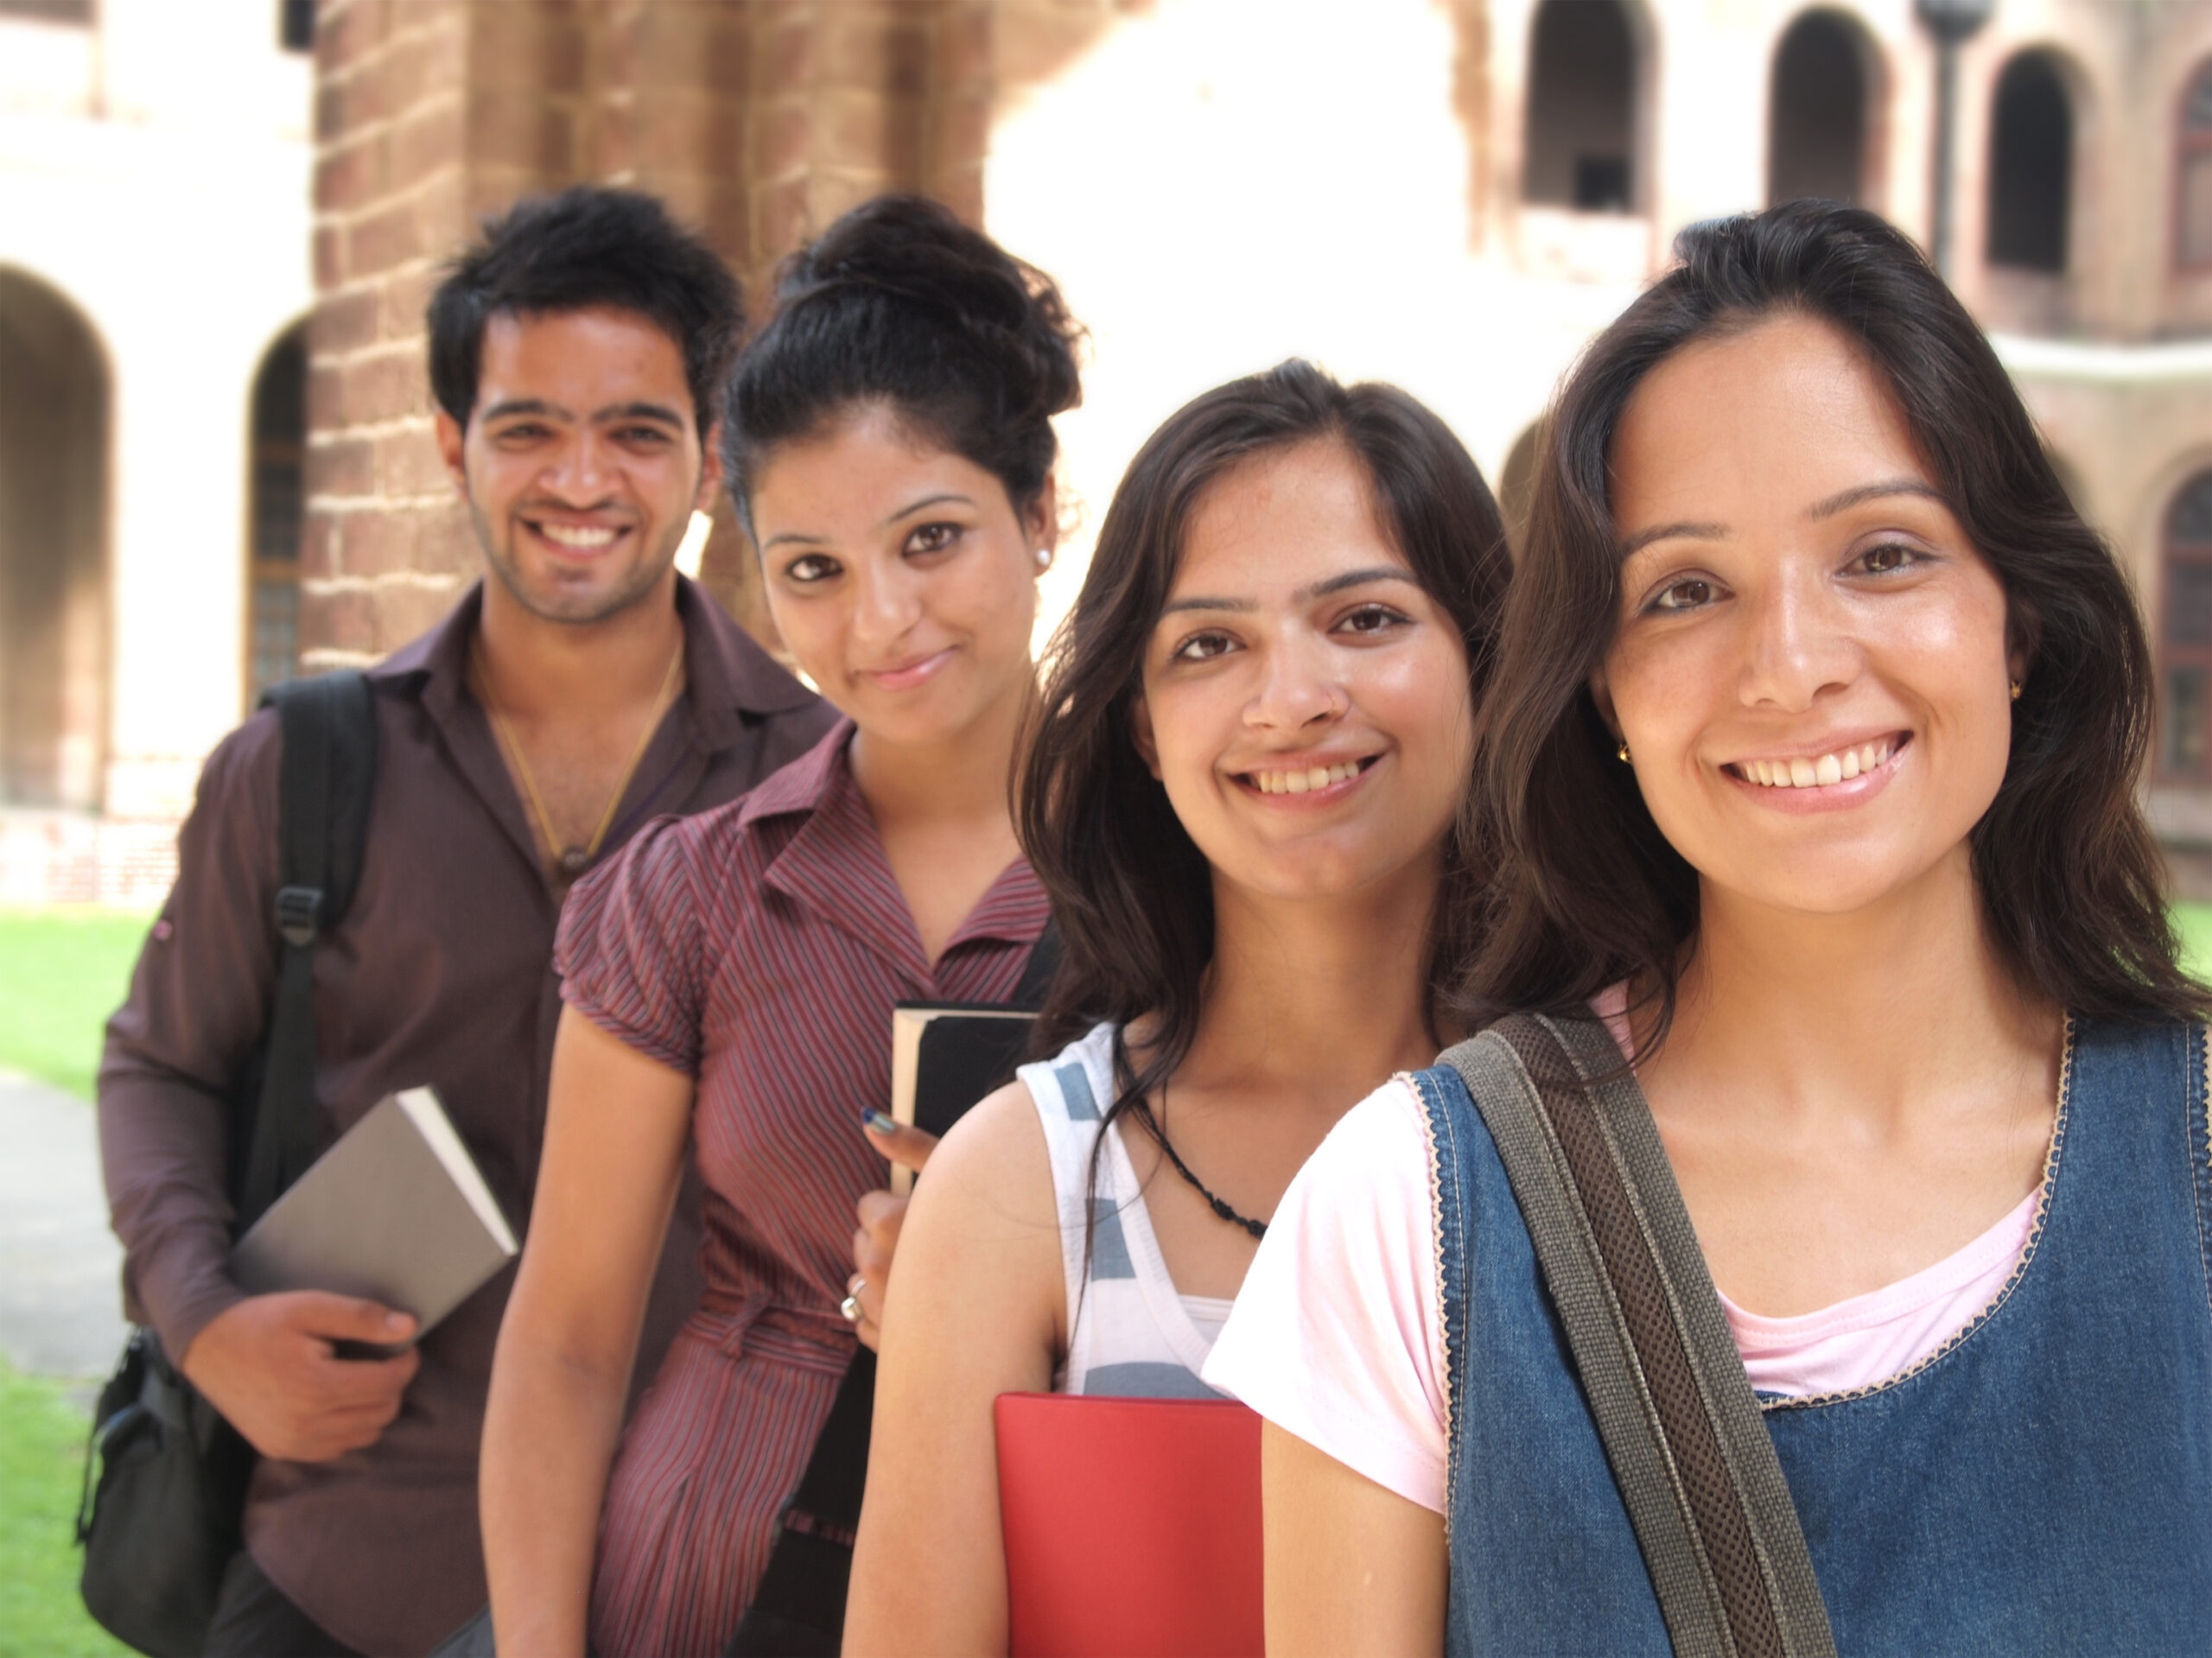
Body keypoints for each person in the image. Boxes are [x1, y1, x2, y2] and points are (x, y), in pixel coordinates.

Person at [1205, 202, 2212, 1654]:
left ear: (2020, 619)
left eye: (1883, 554)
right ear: (1602, 690)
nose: (1791, 667)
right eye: (1684, 591)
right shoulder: (1413, 1209)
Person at [95, 187, 835, 1657]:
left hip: (693, 1574)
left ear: (708, 465)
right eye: (525, 428)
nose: (581, 478)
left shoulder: (820, 785)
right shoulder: (301, 766)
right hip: (339, 1559)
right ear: (452, 444)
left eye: (636, 429)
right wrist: (203, 1319)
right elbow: (158, 1069)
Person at [478, 194, 1082, 1658]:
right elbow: (563, 1345)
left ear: (1041, 516)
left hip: (1059, 1578)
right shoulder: (684, 895)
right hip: (700, 1582)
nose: (880, 619)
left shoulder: (1192, 878)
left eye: (930, 538)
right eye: (812, 569)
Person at [844, 359, 1513, 1651]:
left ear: (1487, 661)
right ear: (1143, 730)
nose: (1293, 699)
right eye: (1209, 645)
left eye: (1366, 619)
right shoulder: (1018, 1188)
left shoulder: (1637, 1118)